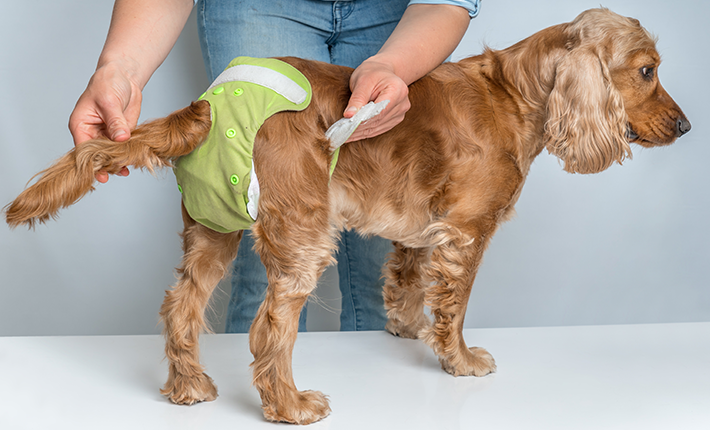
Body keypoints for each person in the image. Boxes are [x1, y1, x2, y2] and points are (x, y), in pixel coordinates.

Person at [69, 0, 480, 333]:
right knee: (264, 244)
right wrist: (118, 68)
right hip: (257, 6)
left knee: (385, 261)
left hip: (403, 15)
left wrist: (394, 65)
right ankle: (256, 401)